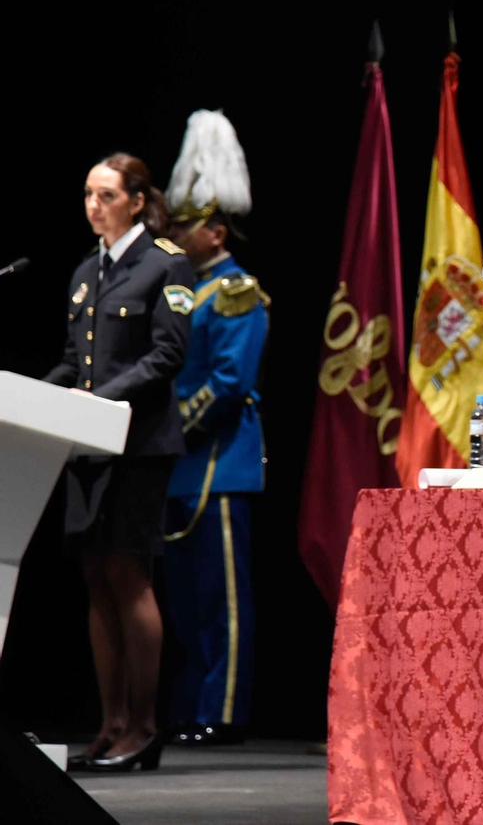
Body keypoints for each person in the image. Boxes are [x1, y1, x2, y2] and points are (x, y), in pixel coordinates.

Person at [43, 153, 193, 772]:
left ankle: (145, 726)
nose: (93, 205)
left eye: (105, 195)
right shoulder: (85, 272)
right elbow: (73, 361)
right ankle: (109, 726)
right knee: (96, 582)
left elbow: (166, 356)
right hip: (87, 447)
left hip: (138, 444)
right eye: (86, 194)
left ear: (136, 200)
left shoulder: (166, 264)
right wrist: (39, 394)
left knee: (130, 579)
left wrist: (95, 401)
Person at [161, 110, 269, 745]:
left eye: (185, 226)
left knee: (223, 600)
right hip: (180, 462)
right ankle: (190, 704)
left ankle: (222, 710)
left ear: (216, 231)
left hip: (220, 459)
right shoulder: (184, 290)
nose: (174, 235)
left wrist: (172, 427)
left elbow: (228, 383)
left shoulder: (235, 292)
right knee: (187, 600)